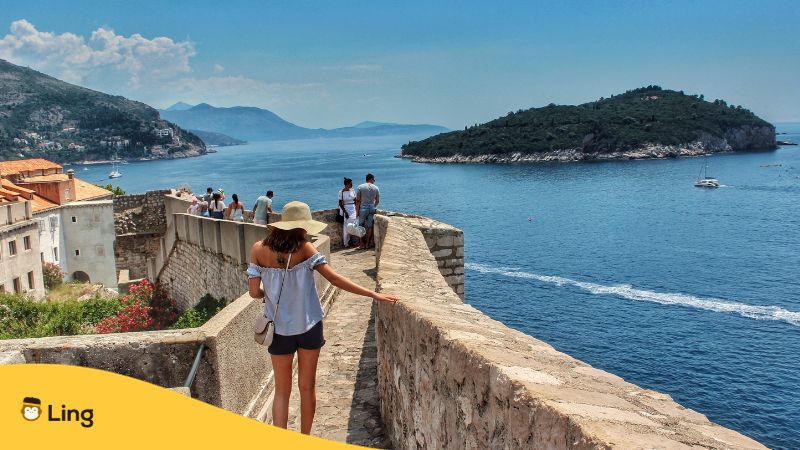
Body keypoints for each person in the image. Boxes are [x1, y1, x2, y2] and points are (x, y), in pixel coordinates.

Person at [247, 201, 398, 435]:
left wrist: (271, 294)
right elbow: (335, 279)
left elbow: (254, 292)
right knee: (307, 388)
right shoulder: (305, 248)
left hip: (278, 330)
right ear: (302, 226)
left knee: (281, 391)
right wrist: (372, 293)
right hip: (308, 326)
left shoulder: (258, 249)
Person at [355, 173, 379, 250]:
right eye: (374, 179)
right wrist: (373, 206)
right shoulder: (376, 188)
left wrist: (357, 211)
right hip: (372, 208)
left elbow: (358, 200)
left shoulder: (360, 187)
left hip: (363, 208)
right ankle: (368, 244)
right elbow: (377, 201)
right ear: (370, 179)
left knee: (360, 226)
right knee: (370, 226)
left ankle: (362, 244)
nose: (374, 181)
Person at [338, 178, 357, 247]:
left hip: (353, 209)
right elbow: (340, 203)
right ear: (346, 184)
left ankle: (354, 242)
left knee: (354, 225)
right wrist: (345, 212)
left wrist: (357, 210)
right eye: (350, 184)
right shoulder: (341, 192)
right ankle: (346, 243)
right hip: (346, 209)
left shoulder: (353, 191)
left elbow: (355, 200)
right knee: (346, 227)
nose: (352, 185)